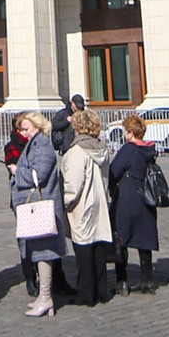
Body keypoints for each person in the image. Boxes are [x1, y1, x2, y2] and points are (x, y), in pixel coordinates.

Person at [10, 111, 67, 318]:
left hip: (40, 207)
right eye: (21, 129)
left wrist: (17, 171)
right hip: (34, 208)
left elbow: (39, 175)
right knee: (39, 251)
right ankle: (44, 297)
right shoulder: (34, 143)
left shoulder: (42, 144)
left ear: (37, 125)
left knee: (44, 252)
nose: (23, 133)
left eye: (26, 128)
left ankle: (46, 297)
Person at [61, 108, 114, 307]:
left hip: (83, 203)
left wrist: (66, 200)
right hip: (99, 199)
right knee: (98, 245)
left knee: (83, 249)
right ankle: (102, 289)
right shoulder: (100, 147)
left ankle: (86, 293)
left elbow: (74, 183)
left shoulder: (77, 151)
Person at [109, 113, 159, 296]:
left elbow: (114, 170)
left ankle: (122, 282)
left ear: (130, 132)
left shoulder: (129, 150)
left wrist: (111, 187)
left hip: (127, 198)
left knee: (121, 239)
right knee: (144, 239)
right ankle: (147, 280)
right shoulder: (149, 149)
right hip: (146, 198)